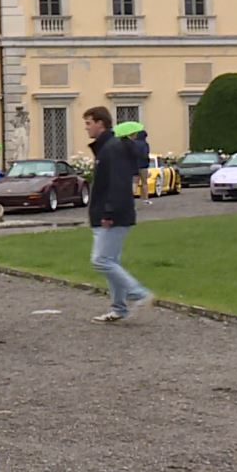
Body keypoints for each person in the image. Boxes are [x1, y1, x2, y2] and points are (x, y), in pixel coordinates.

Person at [85, 106, 153, 323]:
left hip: (112, 215)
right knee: (111, 261)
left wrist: (108, 212)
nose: (86, 128)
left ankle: (140, 294)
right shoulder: (109, 148)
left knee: (101, 260)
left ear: (100, 123)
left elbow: (117, 184)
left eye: (88, 123)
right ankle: (119, 308)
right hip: (110, 213)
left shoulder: (111, 149)